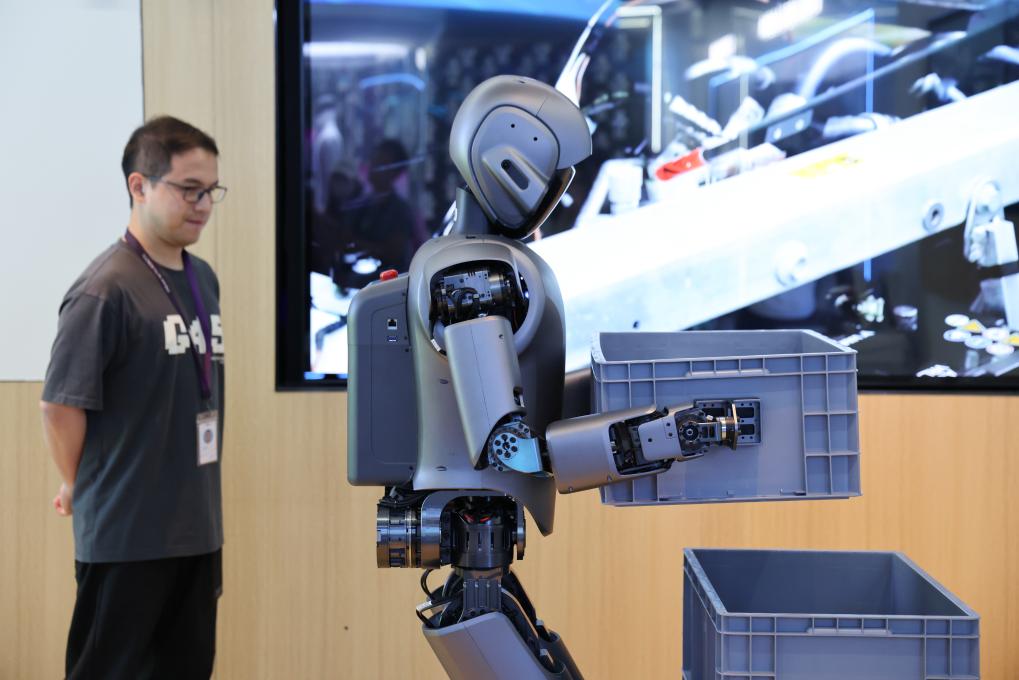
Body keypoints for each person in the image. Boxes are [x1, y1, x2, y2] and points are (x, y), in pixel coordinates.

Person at [39, 115, 227, 680]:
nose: (203, 204)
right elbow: (60, 404)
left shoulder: (203, 278)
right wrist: (78, 483)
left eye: (210, 190)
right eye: (188, 189)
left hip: (197, 531)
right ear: (139, 186)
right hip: (125, 537)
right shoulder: (105, 289)